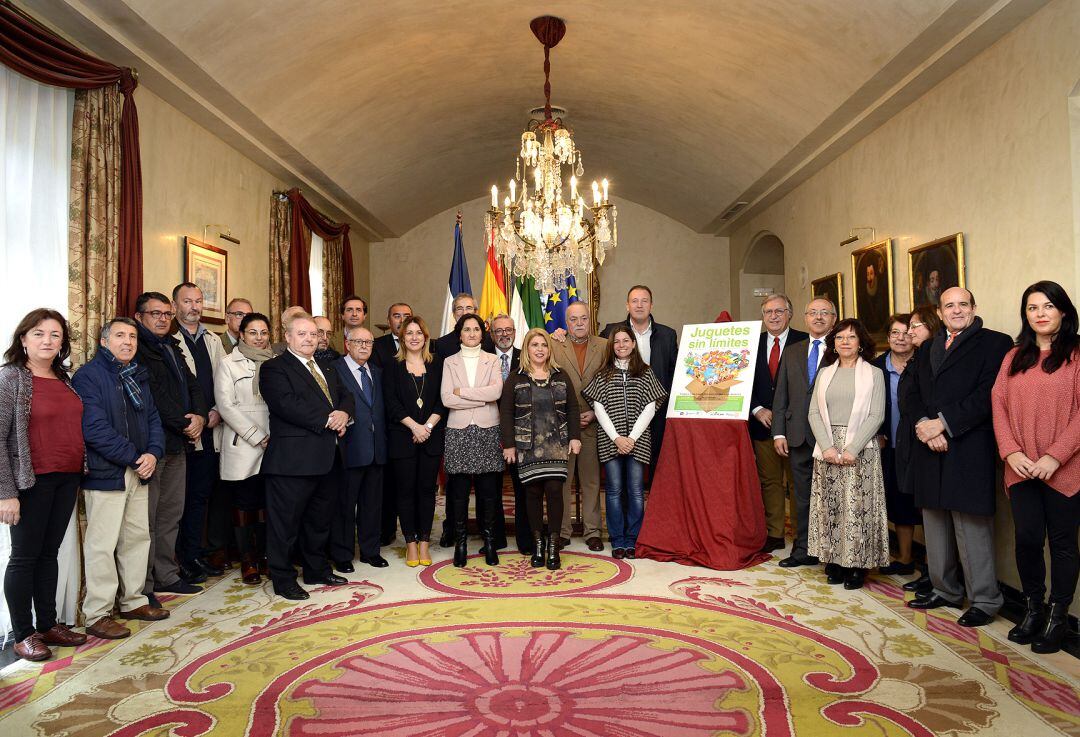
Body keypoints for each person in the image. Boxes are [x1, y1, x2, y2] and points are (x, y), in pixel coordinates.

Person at [903, 287, 1013, 627]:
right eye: (949, 305)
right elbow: (911, 392)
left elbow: (990, 394)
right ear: (940, 312)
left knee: (971, 526)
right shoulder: (928, 347)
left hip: (967, 445)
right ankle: (945, 589)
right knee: (934, 523)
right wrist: (924, 424)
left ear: (974, 307)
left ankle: (984, 598)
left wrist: (943, 424)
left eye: (962, 304)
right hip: (928, 446)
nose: (956, 310)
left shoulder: (996, 343)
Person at [992, 281, 1080, 653]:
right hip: (1021, 467)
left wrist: (1054, 456)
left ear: (1063, 311)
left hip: (1065, 469)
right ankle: (1033, 609)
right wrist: (1011, 453)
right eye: (1032, 308)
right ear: (1025, 315)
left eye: (1048, 306)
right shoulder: (1014, 357)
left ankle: (1058, 618)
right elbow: (998, 403)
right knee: (1027, 540)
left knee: (1062, 544)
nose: (1040, 313)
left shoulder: (1077, 354)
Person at [1, 310, 88, 661]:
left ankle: (48, 623)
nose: (47, 341)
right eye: (38, 334)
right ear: (23, 339)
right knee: (24, 558)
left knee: (49, 554)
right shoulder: (11, 379)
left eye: (55, 335)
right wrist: (6, 492)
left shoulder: (64, 378)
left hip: (66, 478)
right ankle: (23, 634)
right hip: (30, 481)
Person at [73, 318, 168, 639]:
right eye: (119, 336)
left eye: (132, 337)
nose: (127, 342)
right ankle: (97, 613)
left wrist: (153, 453)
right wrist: (134, 457)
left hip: (140, 469)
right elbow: (94, 428)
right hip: (108, 472)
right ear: (103, 341)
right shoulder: (88, 376)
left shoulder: (137, 374)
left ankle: (133, 601)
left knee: (137, 538)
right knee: (102, 544)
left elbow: (153, 417)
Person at [259, 314, 353, 600]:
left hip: (327, 458)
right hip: (292, 461)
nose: (310, 339)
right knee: (284, 525)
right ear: (287, 337)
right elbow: (286, 404)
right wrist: (329, 419)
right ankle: (283, 578)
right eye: (302, 334)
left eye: (313, 334)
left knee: (319, 520)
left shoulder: (327, 367)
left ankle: (316, 569)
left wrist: (344, 413)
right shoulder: (274, 368)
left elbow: (346, 395)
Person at [134, 292, 206, 600]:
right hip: (153, 445)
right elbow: (152, 396)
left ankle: (166, 574)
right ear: (140, 317)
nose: (163, 319)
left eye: (166, 314)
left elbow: (194, 385)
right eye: (156, 314)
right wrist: (183, 421)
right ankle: (143, 586)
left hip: (179, 443)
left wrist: (200, 416)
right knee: (146, 520)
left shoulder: (172, 346)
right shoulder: (136, 349)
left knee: (170, 514)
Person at [806, 319, 888, 589]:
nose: (844, 342)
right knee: (831, 506)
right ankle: (835, 560)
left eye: (851, 337)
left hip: (861, 448)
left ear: (861, 342)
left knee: (858, 508)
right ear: (833, 343)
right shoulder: (825, 373)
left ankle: (857, 565)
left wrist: (852, 448)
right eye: (839, 337)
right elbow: (814, 413)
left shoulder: (873, 374)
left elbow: (877, 415)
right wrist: (828, 447)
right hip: (827, 447)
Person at [582, 326, 667, 559]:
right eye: (617, 341)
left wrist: (631, 438)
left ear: (633, 343)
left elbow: (651, 406)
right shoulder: (603, 374)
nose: (621, 345)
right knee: (613, 491)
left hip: (638, 442)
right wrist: (617, 438)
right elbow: (598, 408)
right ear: (612, 346)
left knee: (637, 492)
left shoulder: (645, 372)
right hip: (611, 441)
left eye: (625, 340)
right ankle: (618, 539)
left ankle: (633, 539)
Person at [501, 328, 582, 570]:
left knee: (555, 491)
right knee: (533, 494)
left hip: (556, 445)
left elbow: (573, 409)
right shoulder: (515, 377)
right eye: (534, 345)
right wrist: (509, 445)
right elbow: (506, 413)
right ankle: (538, 544)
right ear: (527, 349)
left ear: (549, 349)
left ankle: (554, 545)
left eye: (544, 345)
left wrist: (575, 437)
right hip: (527, 446)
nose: (539, 349)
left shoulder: (561, 375)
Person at [772, 298, 838, 567]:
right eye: (813, 313)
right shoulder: (792, 351)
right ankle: (803, 549)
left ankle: (834, 553)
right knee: (801, 497)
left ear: (834, 318)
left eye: (825, 313)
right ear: (805, 317)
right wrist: (778, 432)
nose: (819, 317)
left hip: (833, 438)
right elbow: (782, 396)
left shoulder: (842, 348)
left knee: (833, 496)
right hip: (797, 434)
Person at [172, 282, 228, 581]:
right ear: (175, 305)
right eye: (187, 301)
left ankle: (193, 555)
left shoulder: (212, 339)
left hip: (210, 429)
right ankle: (177, 561)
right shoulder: (168, 338)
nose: (193, 307)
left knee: (199, 498)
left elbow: (222, 380)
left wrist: (218, 410)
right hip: (182, 432)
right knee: (177, 501)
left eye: (198, 301)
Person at [441, 313, 504, 567]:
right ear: (460, 334)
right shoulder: (449, 362)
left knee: (489, 491)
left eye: (476, 329)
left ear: (482, 333)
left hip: (488, 429)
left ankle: (489, 542)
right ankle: (461, 543)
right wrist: (481, 398)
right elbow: (447, 399)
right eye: (466, 329)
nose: (472, 333)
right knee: (459, 492)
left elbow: (496, 392)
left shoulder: (492, 360)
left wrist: (464, 394)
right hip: (458, 430)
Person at [215, 312, 273, 584]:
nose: (259, 338)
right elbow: (225, 406)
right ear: (241, 334)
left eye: (263, 333)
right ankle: (247, 558)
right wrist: (256, 435)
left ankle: (264, 555)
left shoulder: (277, 362)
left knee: (266, 502)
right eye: (253, 332)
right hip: (243, 442)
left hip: (274, 443)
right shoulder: (228, 363)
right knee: (244, 503)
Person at [384, 315, 445, 567]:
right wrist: (415, 427)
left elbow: (443, 401)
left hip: (430, 437)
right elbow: (391, 403)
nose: (414, 337)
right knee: (406, 491)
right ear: (402, 338)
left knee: (426, 491)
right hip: (403, 437)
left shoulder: (437, 365)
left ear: (425, 336)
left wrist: (427, 427)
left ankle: (424, 542)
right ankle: (410, 543)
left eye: (418, 332)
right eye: (409, 333)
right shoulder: (392, 367)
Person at [749, 293, 808, 552]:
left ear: (789, 314)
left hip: (795, 425)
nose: (774, 316)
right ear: (762, 317)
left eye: (779, 311)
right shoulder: (751, 343)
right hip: (762, 424)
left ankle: (800, 536)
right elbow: (738, 380)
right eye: (768, 312)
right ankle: (774, 533)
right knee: (770, 481)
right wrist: (757, 408)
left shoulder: (805, 342)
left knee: (798, 481)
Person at [600, 285, 678, 474]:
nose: (639, 305)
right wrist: (562, 334)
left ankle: (655, 503)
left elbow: (675, 372)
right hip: (623, 410)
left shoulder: (668, 335)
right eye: (634, 301)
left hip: (658, 409)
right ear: (627, 305)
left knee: (658, 461)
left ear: (651, 305)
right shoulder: (611, 332)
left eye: (644, 301)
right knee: (624, 466)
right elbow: (595, 355)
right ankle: (628, 505)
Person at [550, 301, 608, 551]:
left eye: (583, 318)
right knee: (562, 481)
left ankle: (592, 531)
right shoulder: (554, 344)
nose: (579, 323)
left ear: (590, 320)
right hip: (563, 424)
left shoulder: (605, 346)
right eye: (573, 319)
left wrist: (595, 412)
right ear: (566, 321)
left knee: (591, 481)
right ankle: (562, 531)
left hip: (594, 422)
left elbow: (610, 381)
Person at [895, 304, 944, 595]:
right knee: (922, 510)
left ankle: (934, 573)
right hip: (913, 440)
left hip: (931, 441)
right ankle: (931, 572)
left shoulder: (933, 358)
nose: (909, 332)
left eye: (915, 326)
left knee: (934, 514)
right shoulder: (918, 358)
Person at [332, 325, 390, 570]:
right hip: (349, 447)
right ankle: (343, 555)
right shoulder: (334, 370)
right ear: (347, 344)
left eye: (369, 342)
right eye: (359, 342)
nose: (365, 346)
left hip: (376, 448)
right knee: (345, 505)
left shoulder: (377, 372)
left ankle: (370, 551)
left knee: (372, 504)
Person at [871, 314, 920, 575]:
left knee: (912, 501)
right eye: (895, 333)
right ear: (888, 337)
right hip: (885, 444)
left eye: (906, 332)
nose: (901, 338)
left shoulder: (925, 364)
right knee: (891, 499)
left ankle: (907, 557)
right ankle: (896, 556)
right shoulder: (874, 367)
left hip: (919, 445)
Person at [490, 314, 532, 554]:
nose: (504, 334)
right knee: (492, 487)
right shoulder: (485, 359)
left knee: (522, 486)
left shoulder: (524, 359)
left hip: (520, 431)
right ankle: (496, 538)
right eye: (499, 331)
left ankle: (524, 538)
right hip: (489, 429)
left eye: (509, 330)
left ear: (515, 332)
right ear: (492, 334)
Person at [372, 302, 413, 547]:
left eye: (406, 316)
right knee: (388, 484)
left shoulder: (424, 345)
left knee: (412, 484)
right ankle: (385, 532)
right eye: (396, 316)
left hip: (420, 425)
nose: (401, 320)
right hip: (390, 425)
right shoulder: (378, 347)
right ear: (389, 321)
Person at [433, 293, 495, 358]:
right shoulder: (442, 344)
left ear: (476, 312)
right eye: (459, 308)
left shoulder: (491, 339)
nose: (464, 313)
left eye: (469, 308)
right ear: (454, 314)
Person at [371, 302, 412, 370]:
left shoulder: (422, 344)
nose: (402, 321)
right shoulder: (376, 345)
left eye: (407, 317)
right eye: (397, 316)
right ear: (389, 321)